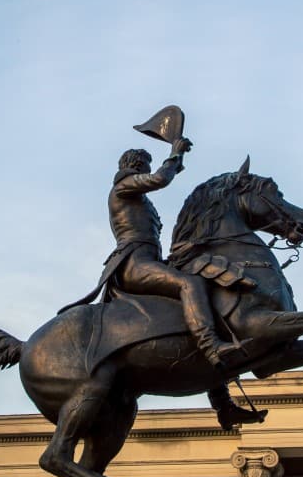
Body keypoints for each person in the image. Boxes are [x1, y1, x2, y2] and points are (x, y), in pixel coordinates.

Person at [62, 138, 248, 369]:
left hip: (149, 259)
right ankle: (211, 345)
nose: (149, 171)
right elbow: (160, 179)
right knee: (189, 284)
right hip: (134, 262)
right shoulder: (123, 186)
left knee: (201, 298)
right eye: (147, 166)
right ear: (138, 165)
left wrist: (178, 162)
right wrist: (174, 153)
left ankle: (221, 397)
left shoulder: (137, 197)